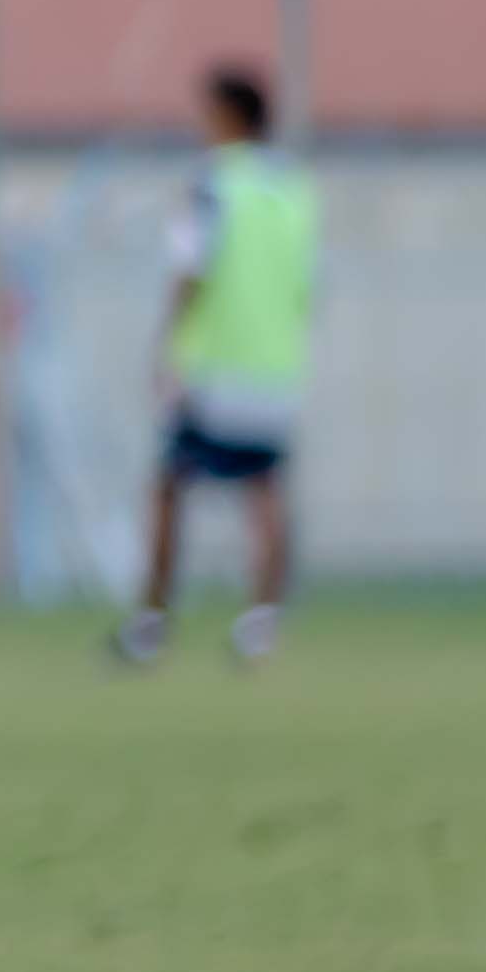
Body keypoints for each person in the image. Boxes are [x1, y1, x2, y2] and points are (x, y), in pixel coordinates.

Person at [122, 64, 314, 669]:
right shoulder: (294, 192)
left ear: (231, 117)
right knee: (265, 492)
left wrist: (165, 346)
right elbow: (309, 284)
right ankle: (261, 624)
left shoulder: (211, 184)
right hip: (276, 369)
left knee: (168, 487)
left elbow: (191, 269)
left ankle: (151, 622)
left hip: (213, 368)